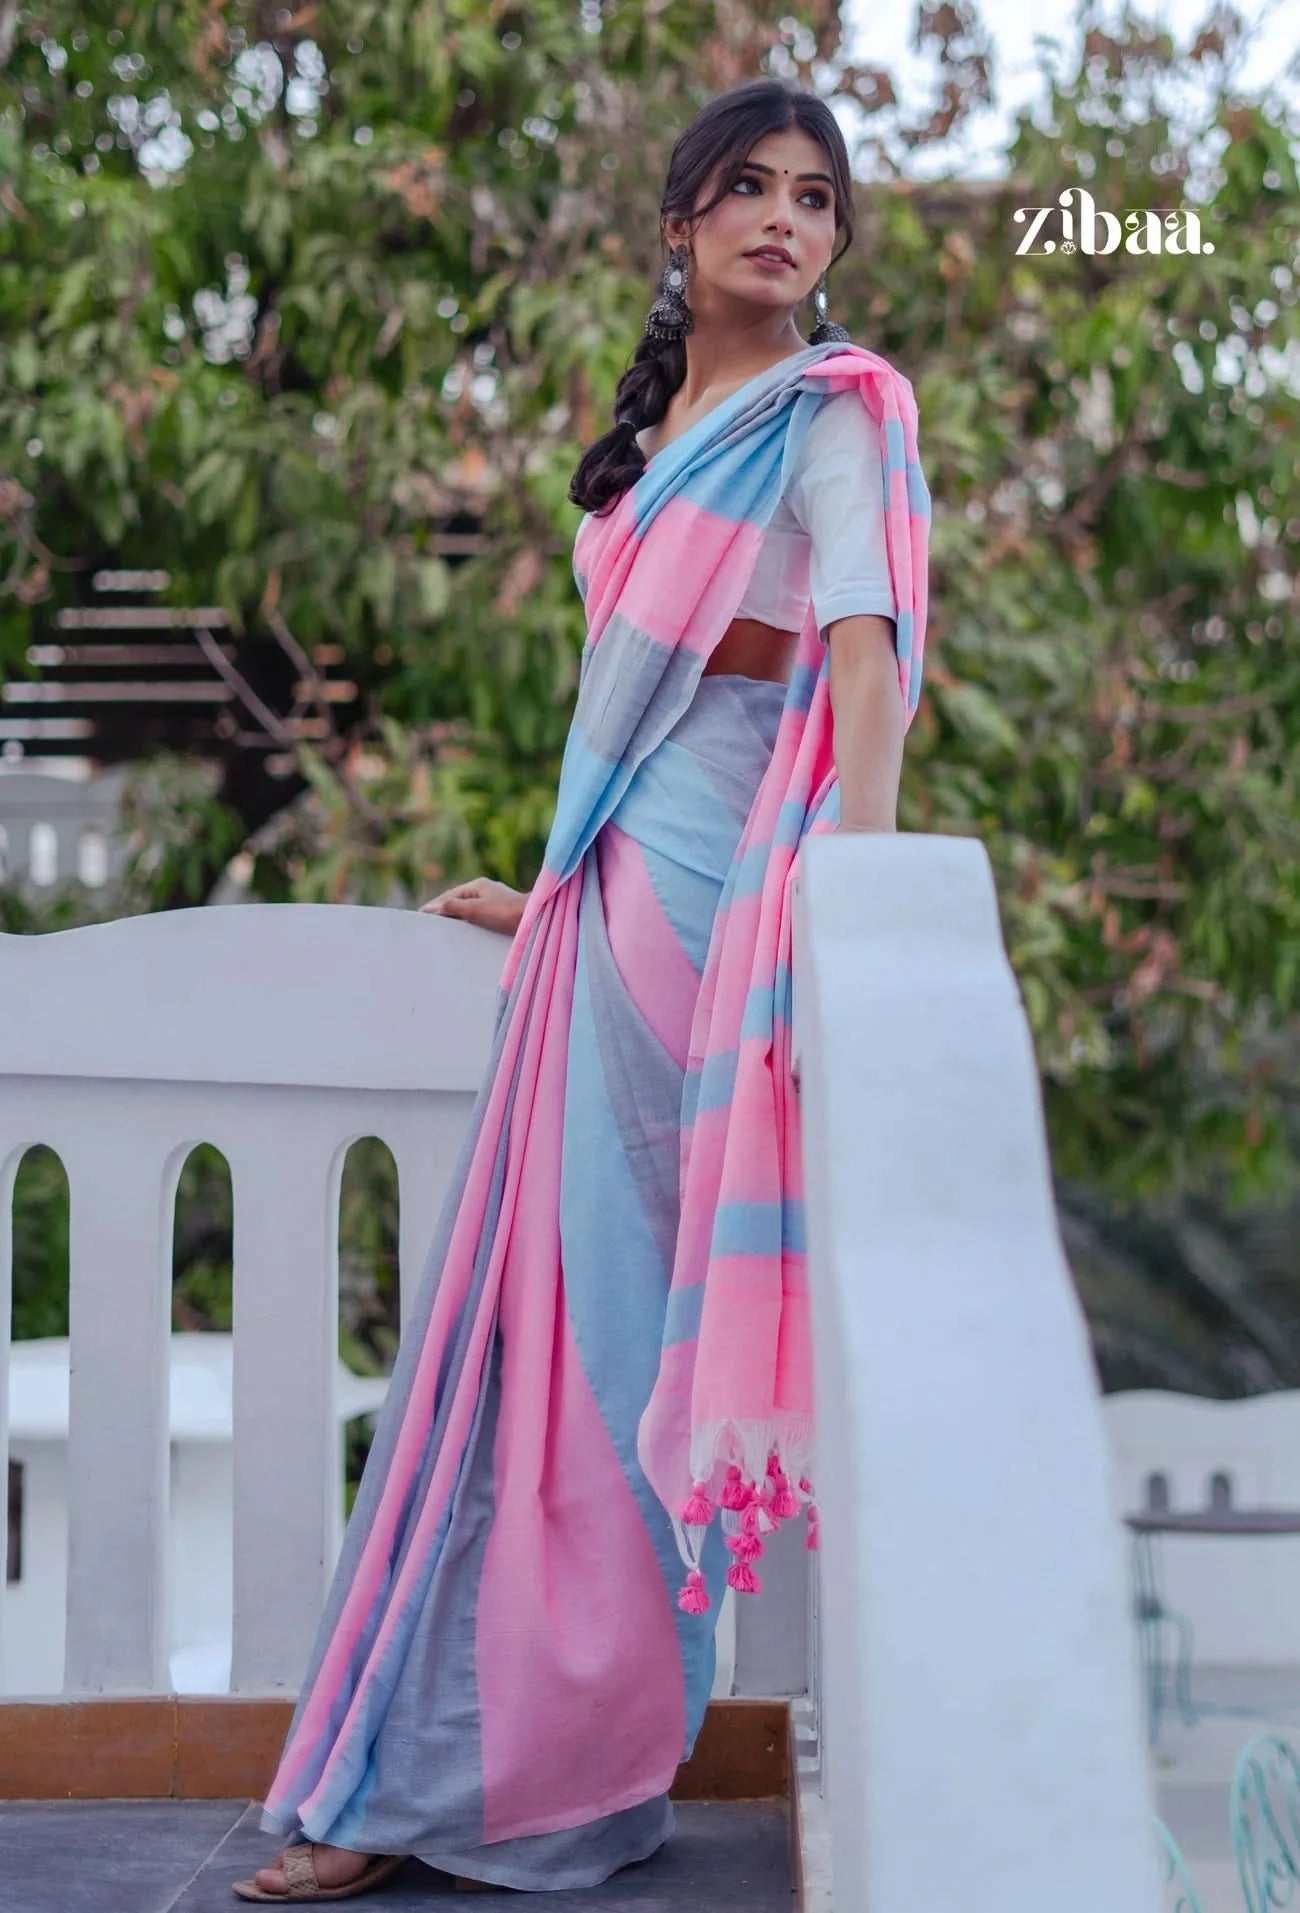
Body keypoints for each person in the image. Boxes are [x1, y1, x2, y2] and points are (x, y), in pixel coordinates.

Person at [234, 74, 926, 1904]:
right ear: (682, 222)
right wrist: (544, 890)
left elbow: (860, 651)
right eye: (750, 188)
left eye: (817, 196)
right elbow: (645, 720)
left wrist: (857, 868)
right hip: (602, 915)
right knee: (510, 1368)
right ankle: (414, 1779)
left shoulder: (829, 418)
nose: (789, 219)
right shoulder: (654, 446)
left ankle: (532, 1778)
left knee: (612, 1369)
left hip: (712, 934)